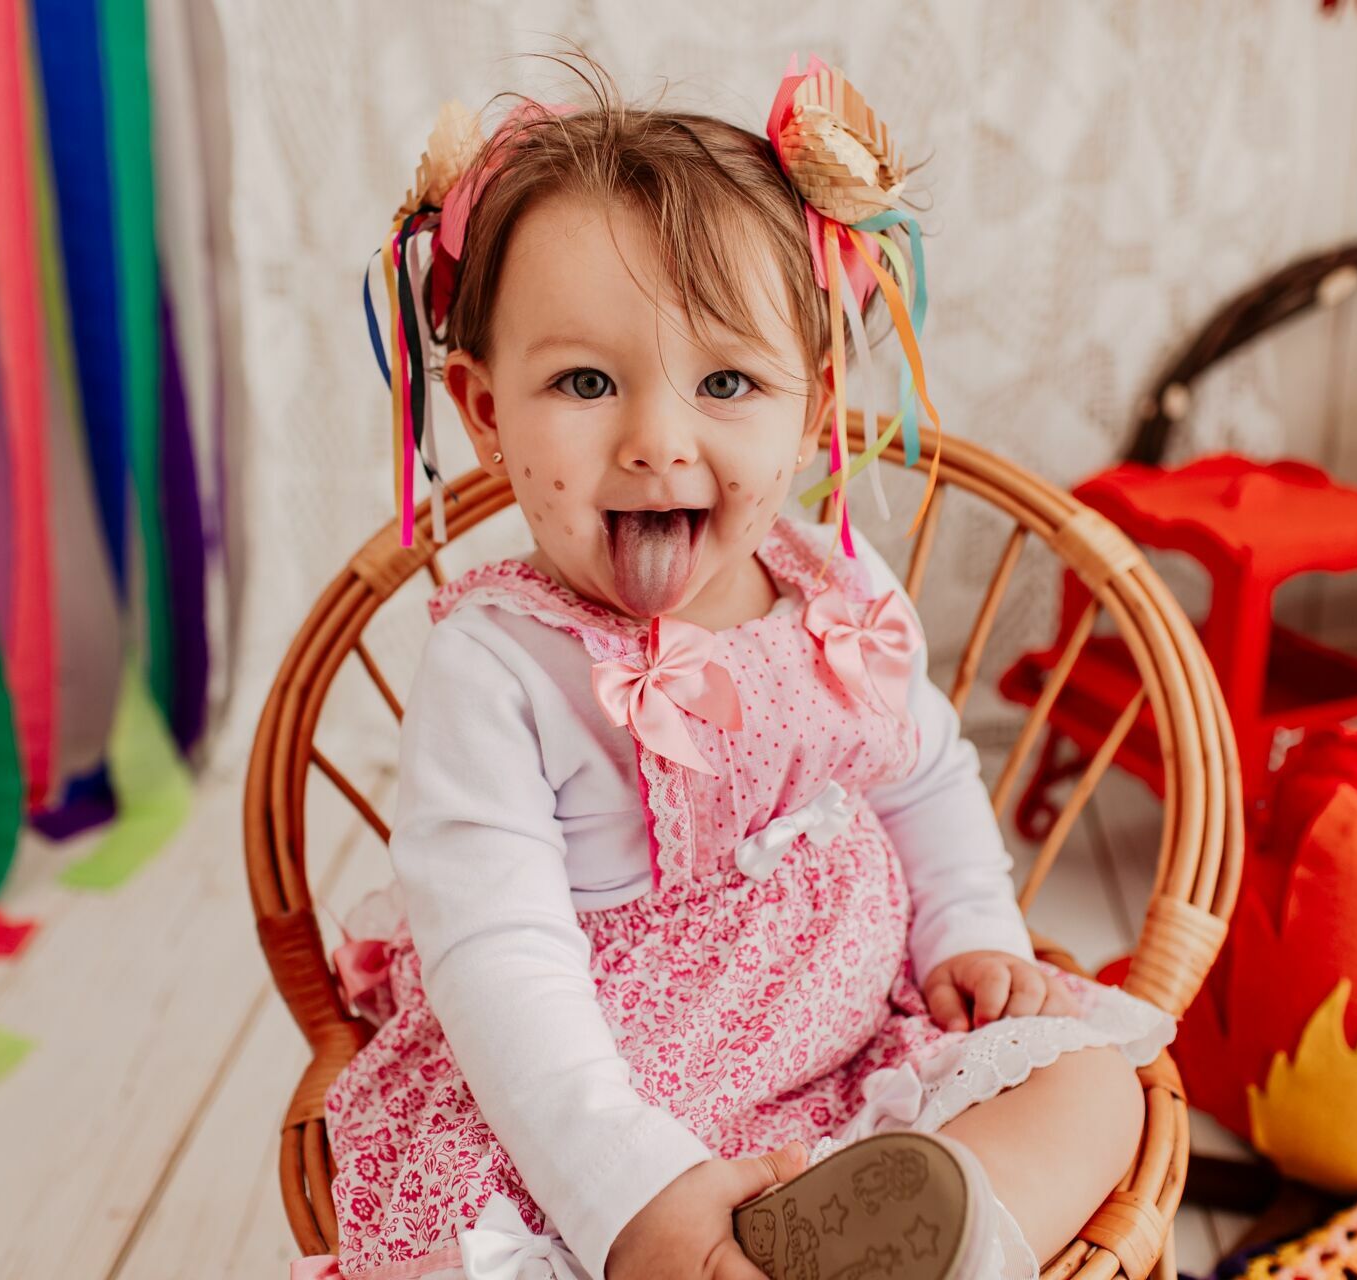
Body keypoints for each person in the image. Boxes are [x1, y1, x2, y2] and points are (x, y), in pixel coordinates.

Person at [302, 54, 1172, 1280]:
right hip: (586, 1114)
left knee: (1095, 1088)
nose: (659, 440)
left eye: (726, 381)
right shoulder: (499, 665)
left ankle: (902, 1247)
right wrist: (635, 1193)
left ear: (815, 406)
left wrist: (967, 933)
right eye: (586, 382)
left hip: (851, 1053)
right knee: (501, 1250)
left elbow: (924, 776)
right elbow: (499, 959)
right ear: (485, 410)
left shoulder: (842, 600)